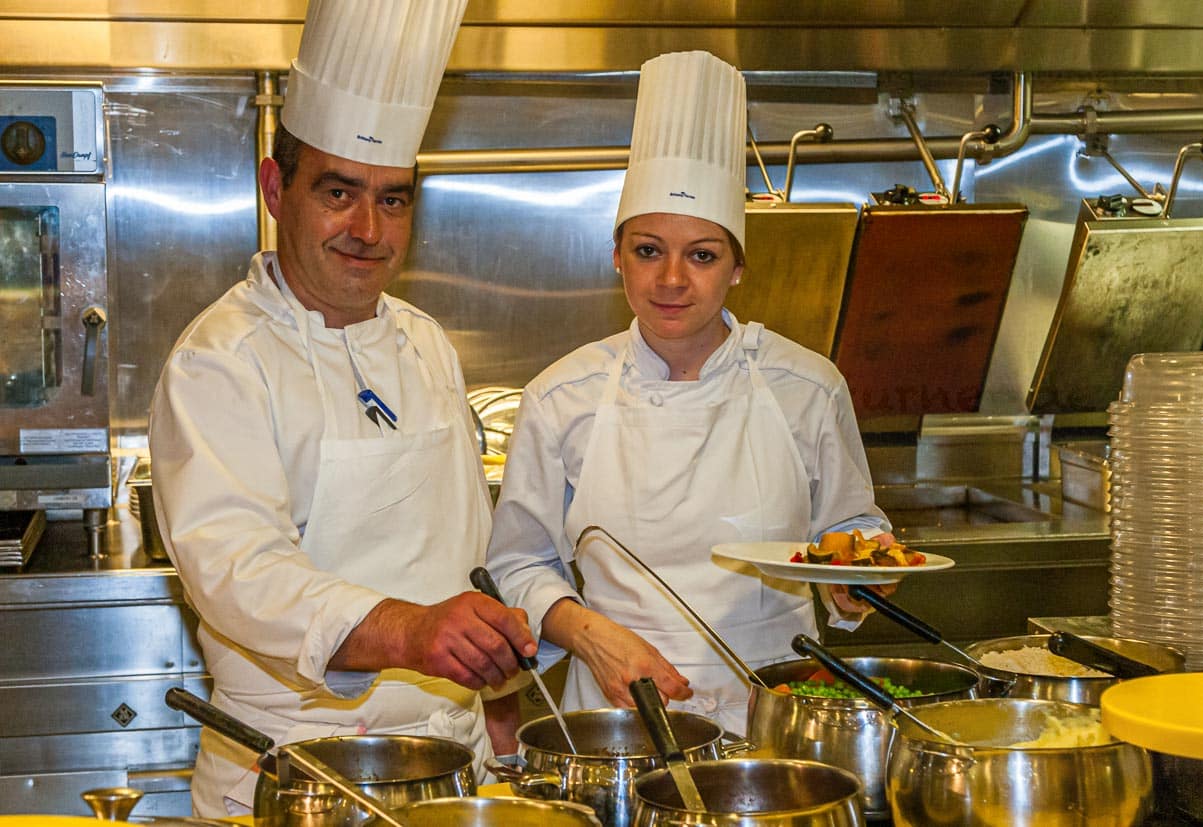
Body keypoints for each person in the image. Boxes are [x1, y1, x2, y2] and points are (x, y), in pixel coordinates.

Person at [147, 0, 536, 816]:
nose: (367, 228)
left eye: (393, 200)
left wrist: (497, 694)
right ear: (274, 187)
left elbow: (467, 550)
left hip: (451, 771)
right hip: (297, 776)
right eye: (339, 192)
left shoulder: (427, 344)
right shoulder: (219, 360)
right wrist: (408, 630)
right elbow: (241, 572)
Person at [485, 50, 894, 738]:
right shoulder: (562, 396)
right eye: (648, 250)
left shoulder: (808, 387)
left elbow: (851, 535)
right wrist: (588, 633)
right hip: (615, 725)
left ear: (738, 267)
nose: (671, 278)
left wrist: (862, 581)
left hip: (774, 724)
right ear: (617, 254)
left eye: (702, 254)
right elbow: (518, 563)